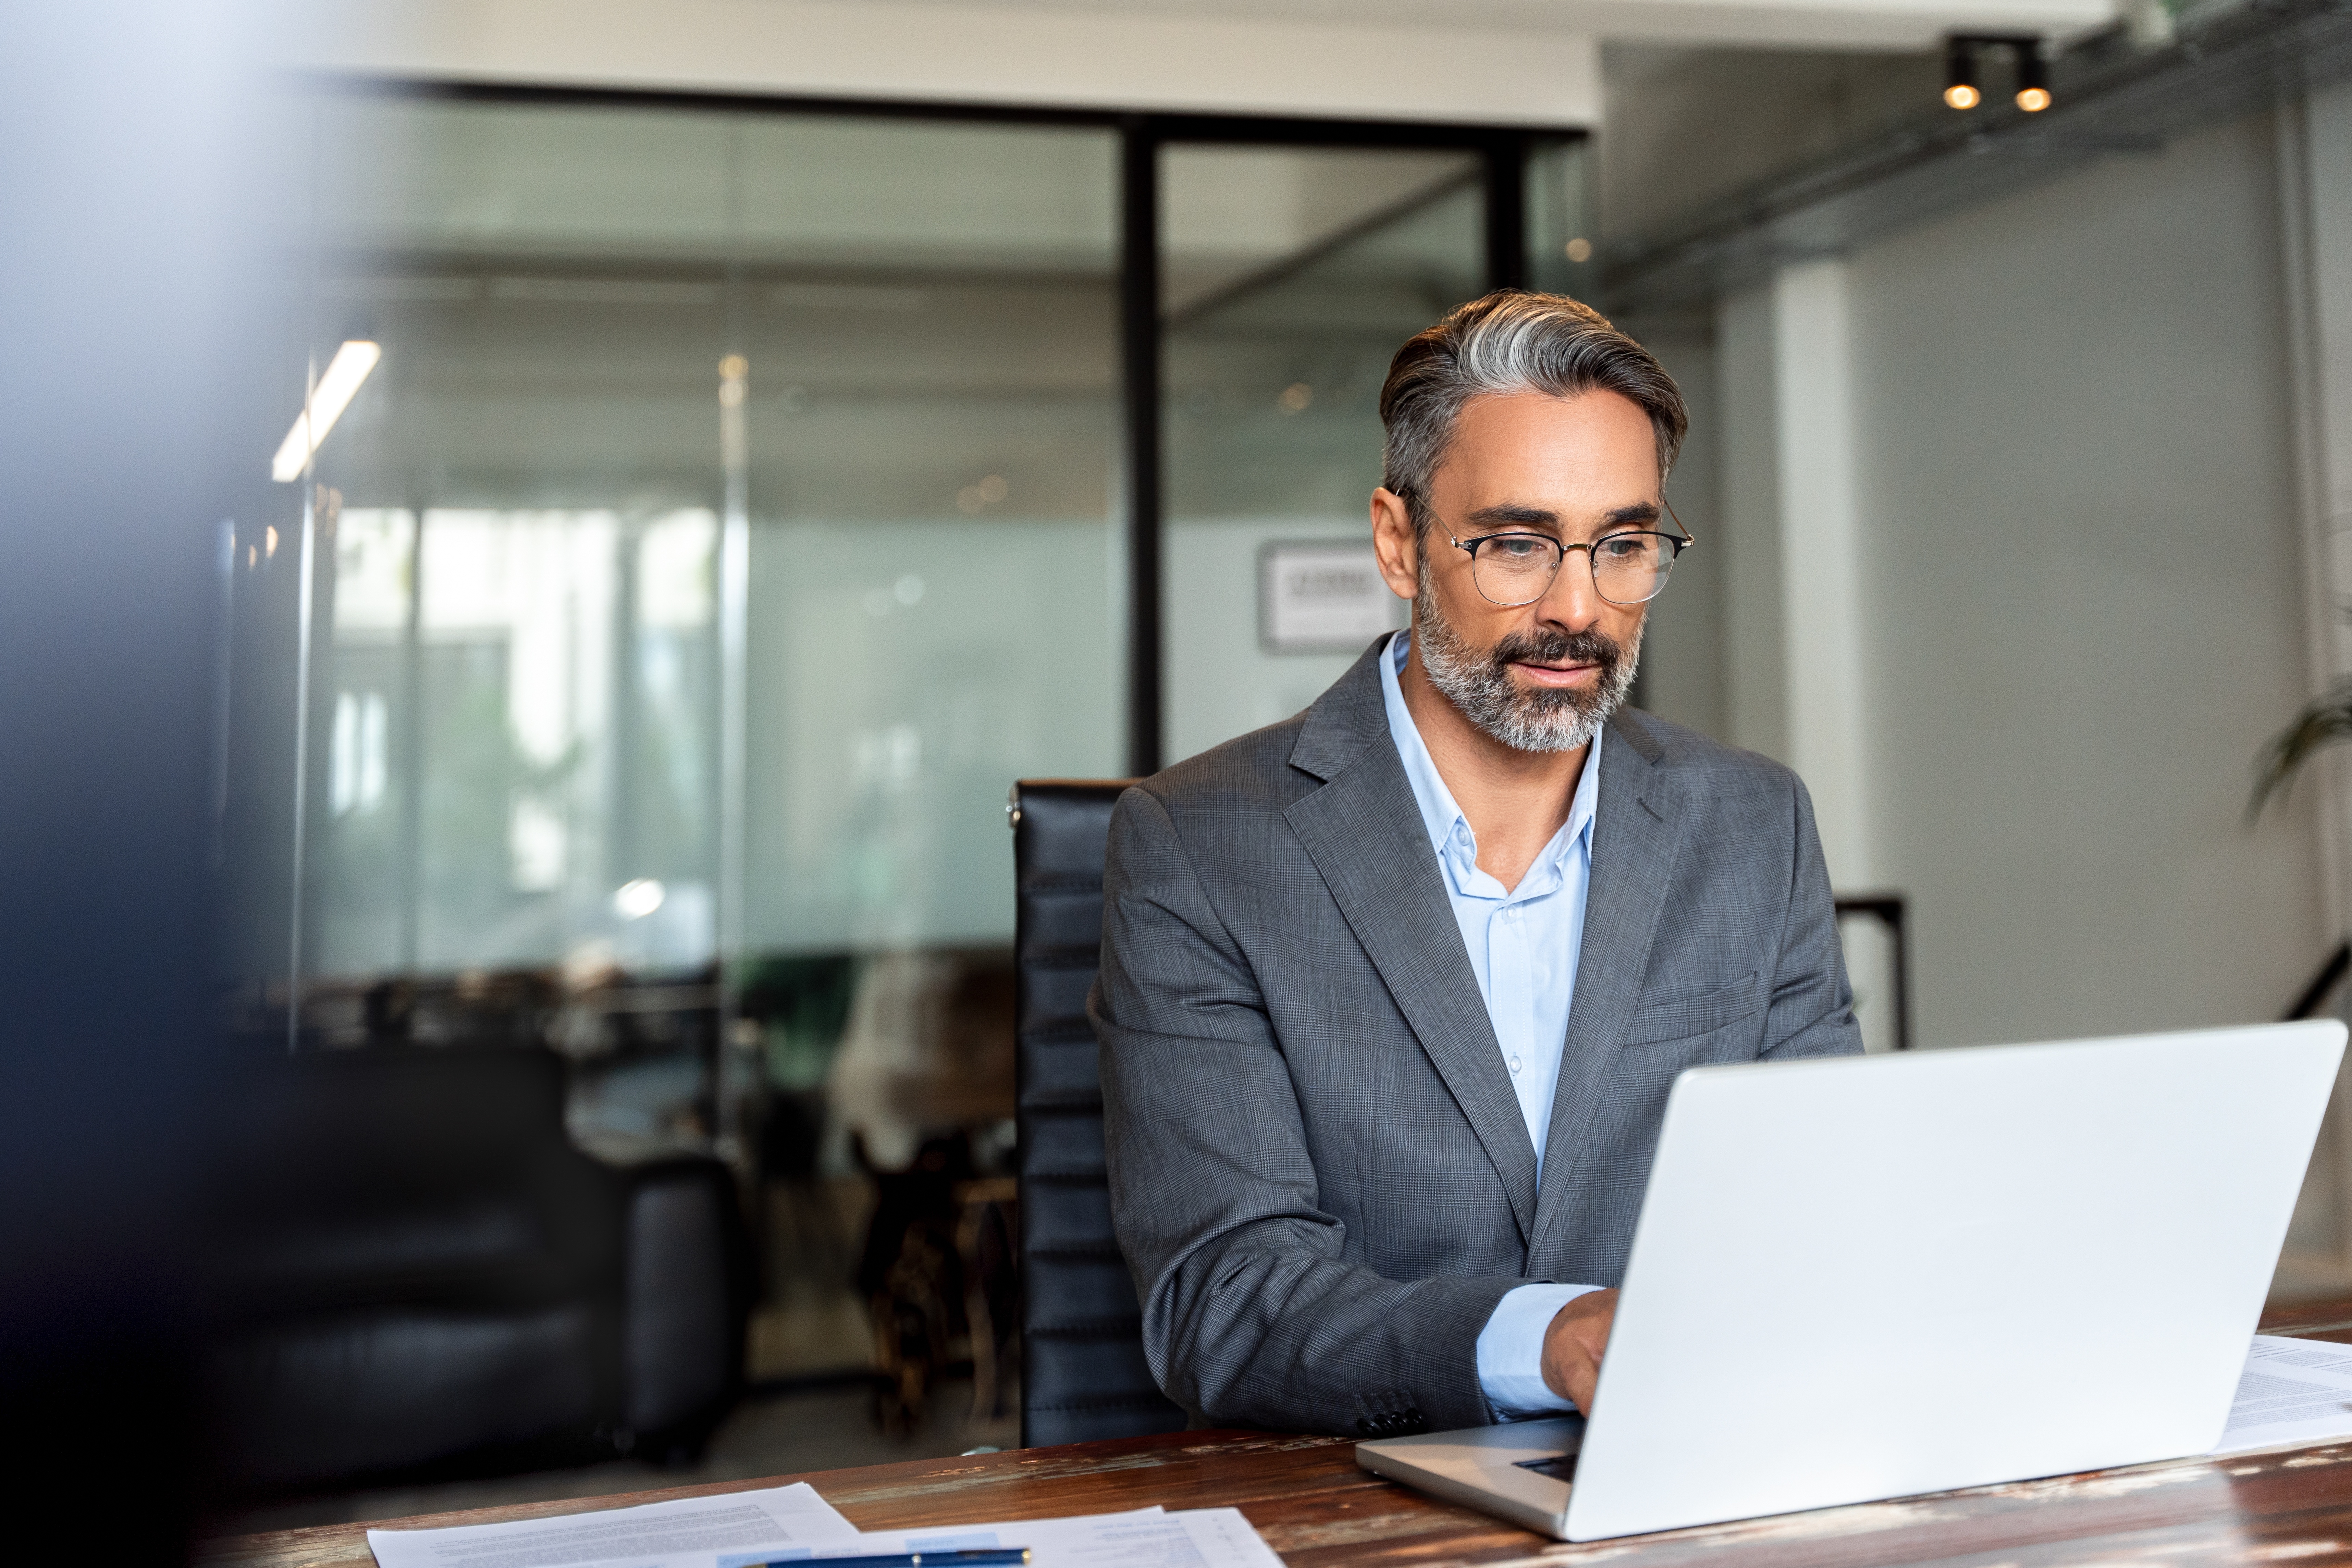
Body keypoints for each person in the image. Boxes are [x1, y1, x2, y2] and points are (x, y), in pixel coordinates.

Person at [1089, 290, 1861, 1438]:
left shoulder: (1754, 825)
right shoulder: (1197, 846)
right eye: (1514, 543)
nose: (1576, 607)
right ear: (1398, 542)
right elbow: (1226, 1296)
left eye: (1624, 545)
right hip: (1352, 1506)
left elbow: (1830, 1212)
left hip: (1690, 1481)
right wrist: (1542, 1342)